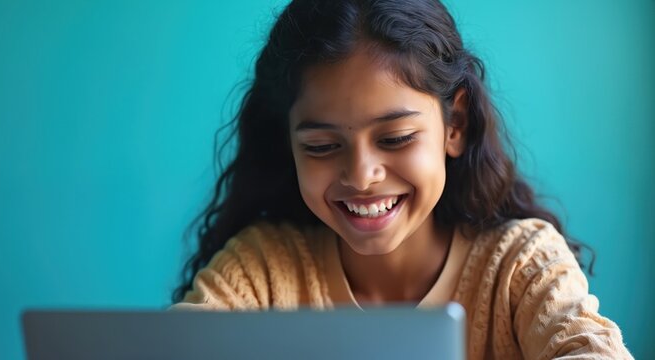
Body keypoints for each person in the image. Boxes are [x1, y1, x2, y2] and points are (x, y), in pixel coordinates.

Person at [168, 0, 634, 358]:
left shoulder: (520, 266)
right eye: (322, 147)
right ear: (287, 144)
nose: (362, 176)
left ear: (455, 125)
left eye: (395, 138)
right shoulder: (261, 270)